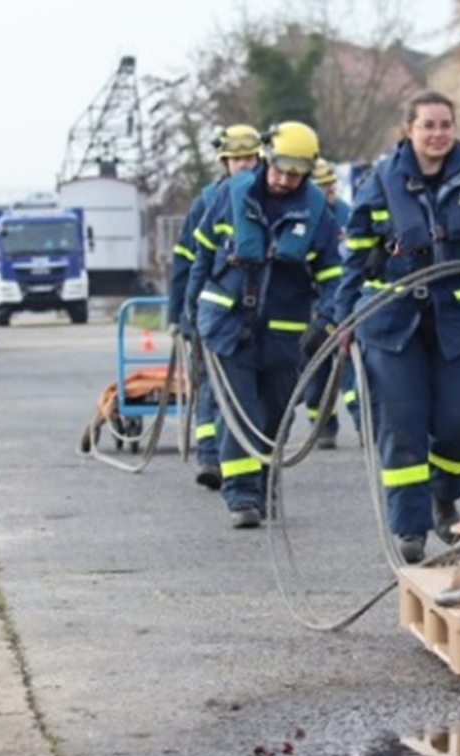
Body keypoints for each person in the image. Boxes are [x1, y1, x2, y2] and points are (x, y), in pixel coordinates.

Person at [335, 91, 460, 564]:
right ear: (409, 129)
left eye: (445, 124)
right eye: (428, 125)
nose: (437, 133)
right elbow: (354, 257)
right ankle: (410, 527)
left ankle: (445, 493)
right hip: (392, 325)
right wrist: (343, 320)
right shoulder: (380, 183)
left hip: (458, 325)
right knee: (402, 426)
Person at [188, 121, 342, 529]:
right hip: (226, 323)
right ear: (266, 159)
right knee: (241, 413)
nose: (285, 180)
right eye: (279, 169)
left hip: (284, 330)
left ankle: (264, 478)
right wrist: (189, 315)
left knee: (277, 412)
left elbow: (332, 274)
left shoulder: (316, 213)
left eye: (295, 174)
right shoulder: (229, 195)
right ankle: (241, 496)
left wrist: (327, 320)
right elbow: (201, 256)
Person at [172, 124, 261, 490]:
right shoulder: (208, 200)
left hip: (261, 313)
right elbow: (185, 258)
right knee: (210, 383)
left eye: (249, 157)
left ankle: (245, 458)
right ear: (224, 161)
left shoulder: (270, 196)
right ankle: (209, 456)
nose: (243, 164)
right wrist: (180, 313)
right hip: (215, 310)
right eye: (236, 158)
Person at [303, 158, 361, 449]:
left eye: (330, 184)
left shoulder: (344, 213)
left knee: (351, 370)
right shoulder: (303, 214)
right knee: (317, 375)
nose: (328, 190)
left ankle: (366, 425)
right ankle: (323, 426)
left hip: (341, 303)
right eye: (321, 185)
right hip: (311, 308)